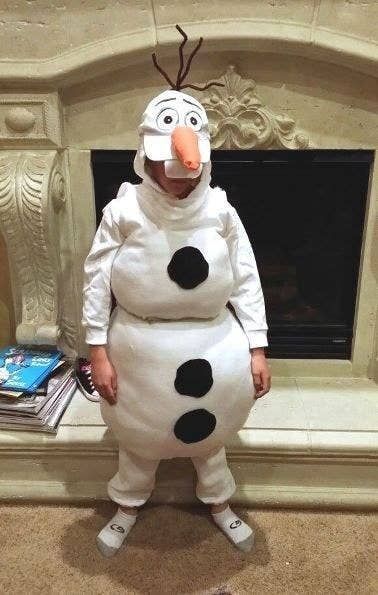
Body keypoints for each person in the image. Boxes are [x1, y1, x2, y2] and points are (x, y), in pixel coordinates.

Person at [82, 89, 271, 558]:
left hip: (214, 340)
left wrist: (257, 346)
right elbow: (96, 278)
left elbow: (246, 275)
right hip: (141, 347)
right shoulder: (124, 211)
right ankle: (126, 506)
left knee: (211, 442)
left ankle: (219, 502)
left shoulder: (221, 210)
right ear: (147, 159)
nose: (180, 180)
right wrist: (97, 349)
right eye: (168, 167)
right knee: (138, 441)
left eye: (189, 170)